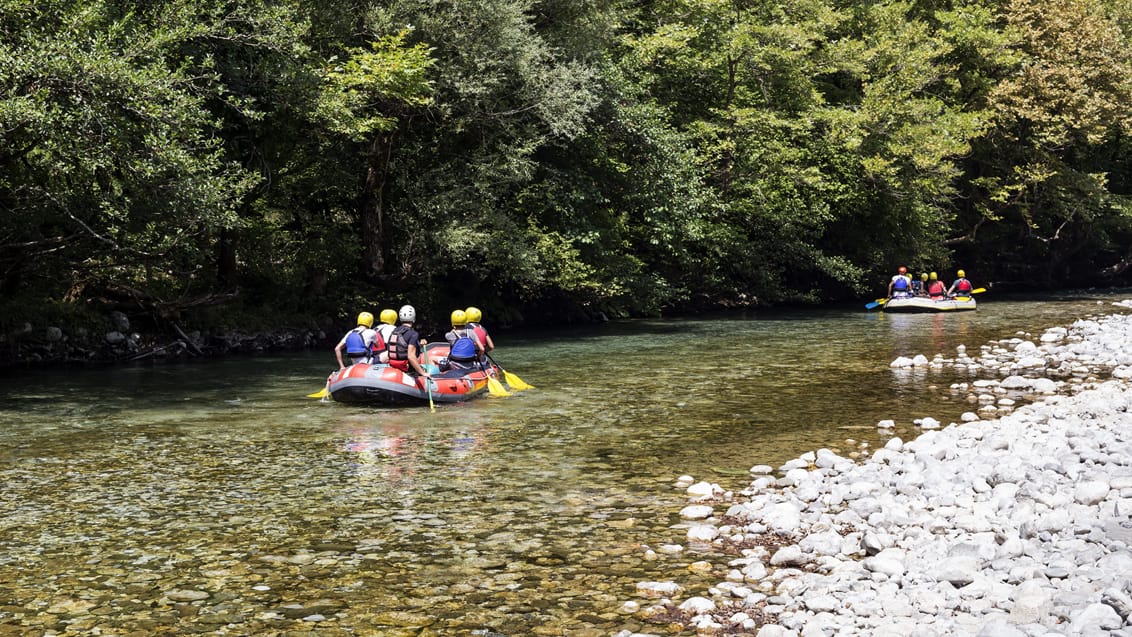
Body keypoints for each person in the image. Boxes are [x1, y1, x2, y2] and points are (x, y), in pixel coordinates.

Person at [386, 305, 431, 379]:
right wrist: (423, 373)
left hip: (394, 366)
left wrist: (419, 344)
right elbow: (411, 356)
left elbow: (402, 346)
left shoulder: (395, 331)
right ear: (413, 318)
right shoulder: (413, 334)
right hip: (407, 369)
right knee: (430, 370)